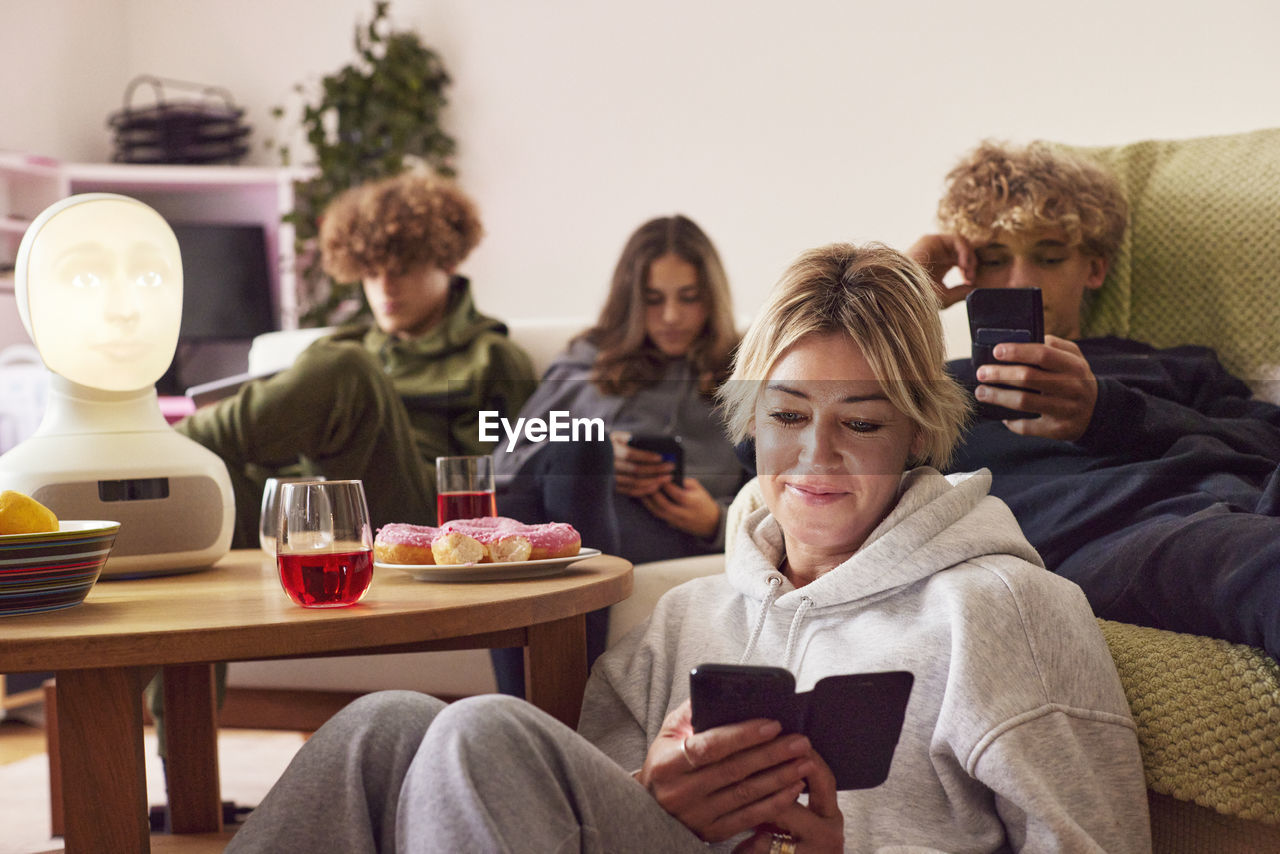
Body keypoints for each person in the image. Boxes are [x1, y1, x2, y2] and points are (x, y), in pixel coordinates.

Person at [224, 242, 1150, 853]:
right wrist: (648, 795)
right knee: (385, 727)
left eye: (860, 422)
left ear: (916, 432)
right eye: (786, 417)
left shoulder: (1003, 612)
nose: (815, 459)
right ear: (751, 418)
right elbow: (556, 818)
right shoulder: (687, 615)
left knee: (480, 728)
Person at [906, 140, 1280, 663]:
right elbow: (769, 437)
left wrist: (1107, 411)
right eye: (993, 260)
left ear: (1095, 268)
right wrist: (896, 298)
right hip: (1127, 538)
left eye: (1049, 255)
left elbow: (1267, 436)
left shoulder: (1177, 366)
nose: (1022, 281)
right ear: (968, 277)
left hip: (1249, 495)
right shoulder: (939, 389)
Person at [176, 168, 536, 546]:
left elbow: (496, 492)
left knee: (345, 367)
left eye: (401, 270)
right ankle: (166, 459)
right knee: (203, 480)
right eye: (371, 273)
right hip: (305, 504)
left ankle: (167, 443)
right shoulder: (349, 344)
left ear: (446, 262)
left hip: (414, 518)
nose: (385, 288)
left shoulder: (491, 357)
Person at [490, 214, 747, 694]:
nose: (671, 316)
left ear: (711, 297)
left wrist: (717, 520)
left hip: (666, 529)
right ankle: (560, 711)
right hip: (565, 514)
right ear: (630, 300)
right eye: (653, 300)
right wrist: (599, 450)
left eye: (688, 297)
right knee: (578, 452)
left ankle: (527, 713)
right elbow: (505, 460)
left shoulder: (746, 369)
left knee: (520, 521)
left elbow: (775, 488)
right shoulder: (589, 359)